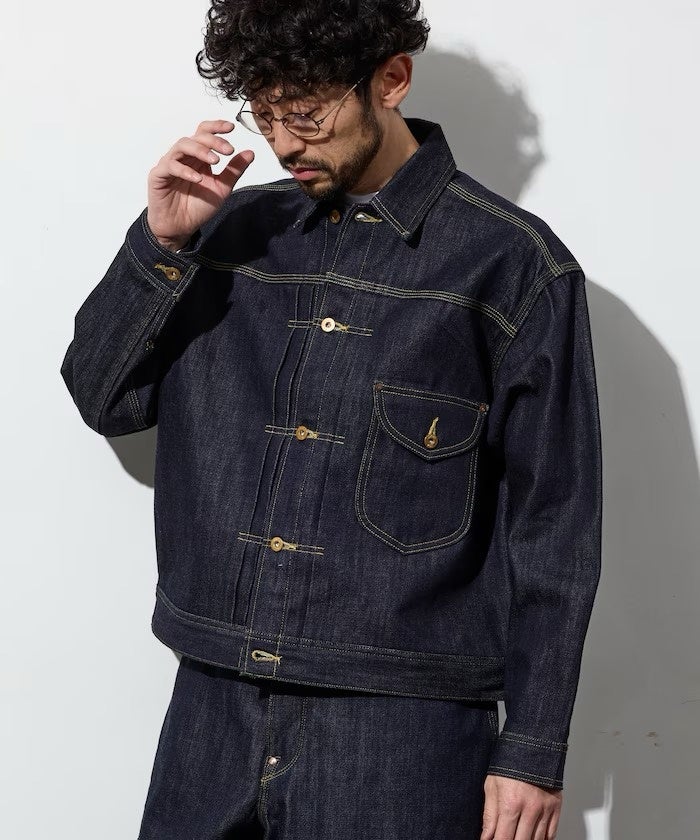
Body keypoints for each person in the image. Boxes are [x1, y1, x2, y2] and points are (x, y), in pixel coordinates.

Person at [59, 2, 602, 839]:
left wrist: (532, 748)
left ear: (391, 79)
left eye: (307, 114)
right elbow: (106, 399)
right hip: (214, 707)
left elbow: (554, 527)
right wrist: (160, 247)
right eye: (265, 114)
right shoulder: (228, 231)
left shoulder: (512, 266)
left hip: (402, 729)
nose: (284, 143)